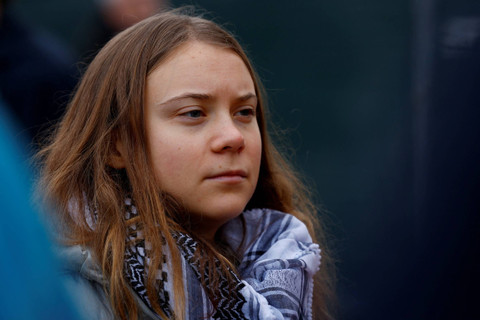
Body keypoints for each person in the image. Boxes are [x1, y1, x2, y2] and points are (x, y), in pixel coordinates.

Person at [36, 8, 334, 320]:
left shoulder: (287, 264)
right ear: (116, 145)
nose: (233, 137)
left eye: (245, 112)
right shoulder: (61, 296)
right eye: (194, 113)